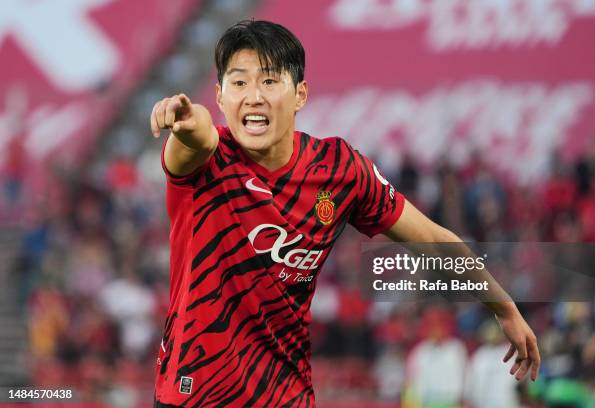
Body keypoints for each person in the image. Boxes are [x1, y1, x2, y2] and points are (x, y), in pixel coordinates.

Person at [149, 20, 540, 407]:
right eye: (239, 83)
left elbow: (433, 239)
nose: (253, 96)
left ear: (300, 94)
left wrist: (504, 308)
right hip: (193, 394)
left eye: (269, 81)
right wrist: (185, 119)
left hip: (286, 396)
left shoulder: (338, 170)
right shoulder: (207, 159)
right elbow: (196, 132)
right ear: (219, 96)